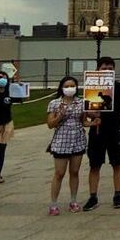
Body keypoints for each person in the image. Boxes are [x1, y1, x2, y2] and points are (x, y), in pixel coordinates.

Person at [83, 57, 120, 211]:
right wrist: (93, 114)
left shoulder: (119, 87)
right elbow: (87, 112)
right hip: (98, 129)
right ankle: (93, 196)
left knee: (117, 163)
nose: (107, 70)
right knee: (95, 164)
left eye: (110, 68)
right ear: (98, 69)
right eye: (104, 68)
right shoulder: (92, 85)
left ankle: (117, 194)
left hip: (115, 128)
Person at [46, 77, 94, 215]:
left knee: (74, 171)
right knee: (59, 173)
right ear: (62, 88)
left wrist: (94, 122)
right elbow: (50, 124)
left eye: (72, 85)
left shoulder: (81, 102)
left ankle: (73, 200)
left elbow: (84, 121)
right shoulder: (55, 103)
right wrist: (60, 114)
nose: (70, 88)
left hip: (77, 140)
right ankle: (53, 203)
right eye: (67, 86)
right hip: (62, 141)